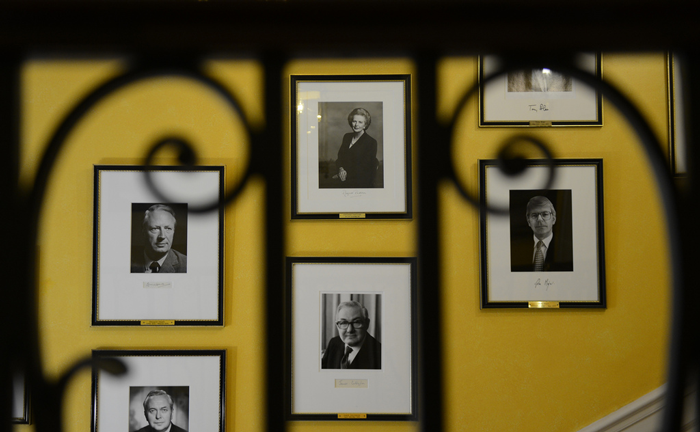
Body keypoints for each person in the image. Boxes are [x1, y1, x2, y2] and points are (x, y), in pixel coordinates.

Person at [510, 196, 573, 272]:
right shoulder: (516, 251)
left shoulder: (567, 250)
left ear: (553, 219)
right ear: (528, 221)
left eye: (545, 214)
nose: (539, 219)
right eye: (534, 215)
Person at [321, 300, 381, 369]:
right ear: (337, 326)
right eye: (343, 323)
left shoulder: (380, 355)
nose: (350, 330)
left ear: (367, 324)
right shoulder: (334, 343)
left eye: (356, 322)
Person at [131, 204, 187, 273]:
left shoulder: (186, 264)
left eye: (168, 228)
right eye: (155, 229)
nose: (162, 236)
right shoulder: (127, 261)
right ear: (144, 231)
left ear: (174, 231)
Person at [332, 108, 379, 188]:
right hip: (343, 179)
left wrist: (344, 174)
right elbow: (340, 157)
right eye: (354, 121)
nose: (356, 124)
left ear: (365, 125)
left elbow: (365, 167)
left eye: (360, 122)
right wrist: (340, 169)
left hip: (361, 182)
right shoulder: (347, 137)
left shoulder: (371, 142)